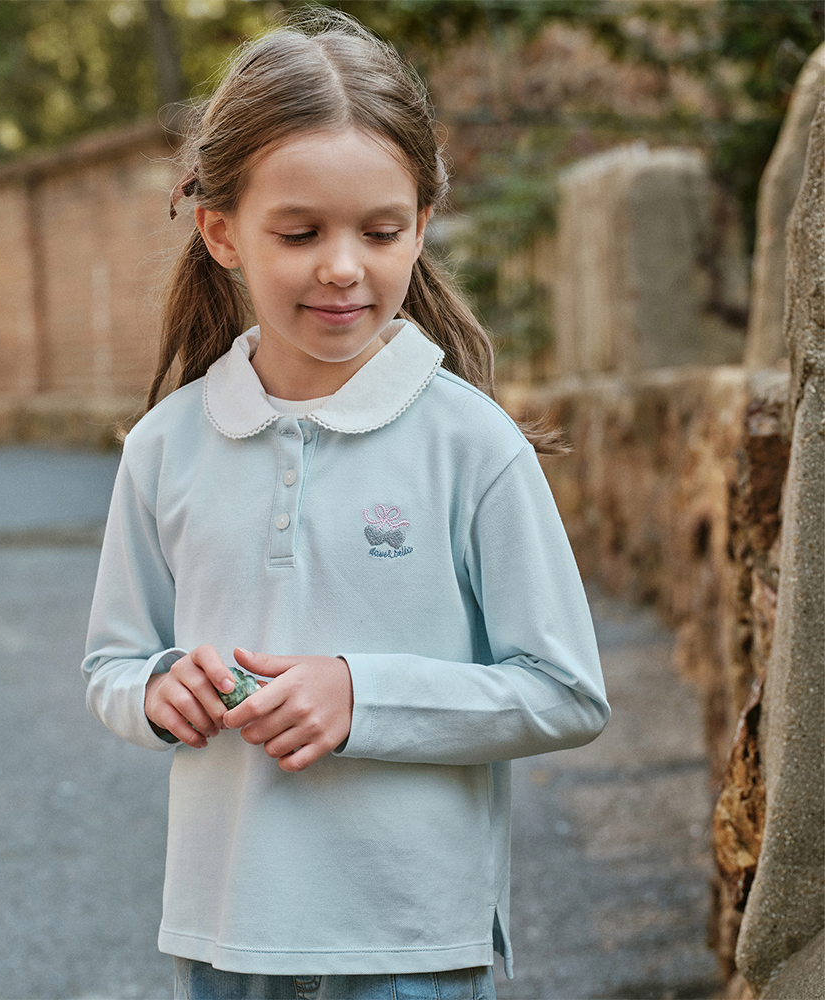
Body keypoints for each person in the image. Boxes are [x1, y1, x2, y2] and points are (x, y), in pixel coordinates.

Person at [82, 10, 609, 1000]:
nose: (342, 265)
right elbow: (111, 664)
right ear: (221, 232)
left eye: (380, 231)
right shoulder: (163, 448)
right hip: (225, 941)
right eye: (300, 232)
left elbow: (566, 689)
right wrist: (157, 691)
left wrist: (360, 697)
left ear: (422, 224)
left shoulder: (473, 444)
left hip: (410, 947)